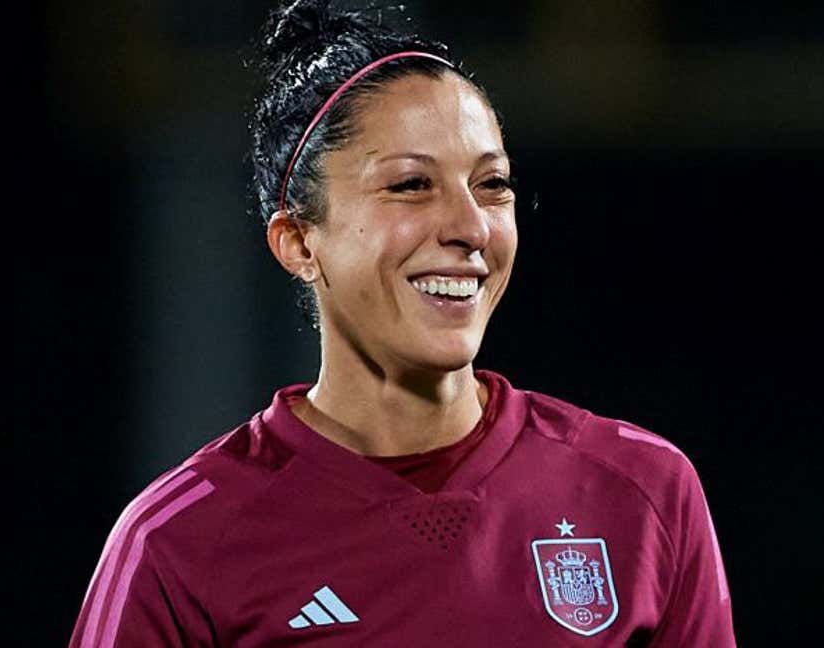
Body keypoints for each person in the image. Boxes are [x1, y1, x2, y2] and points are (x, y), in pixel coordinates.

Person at [68, 1, 736, 645]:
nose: (470, 226)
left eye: (492, 185)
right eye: (412, 185)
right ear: (300, 242)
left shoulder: (641, 491)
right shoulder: (181, 541)